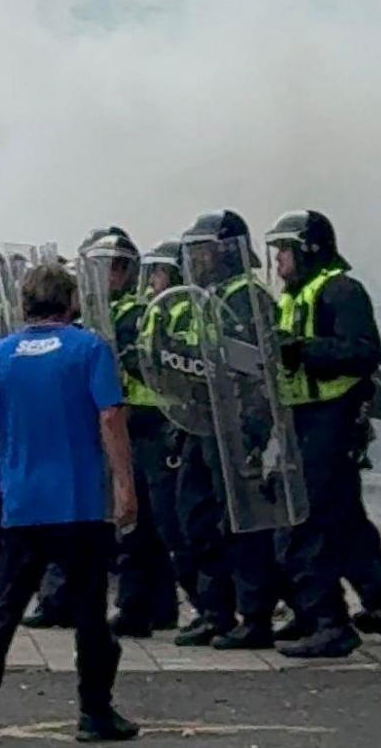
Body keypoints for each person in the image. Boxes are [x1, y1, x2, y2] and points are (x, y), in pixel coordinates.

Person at [0, 262, 140, 745]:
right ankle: (94, 712)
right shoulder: (89, 349)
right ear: (72, 302)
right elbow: (111, 418)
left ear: (24, 304)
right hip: (78, 503)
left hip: (22, 503)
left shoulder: (0, 355)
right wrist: (125, 486)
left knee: (3, 611)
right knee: (90, 615)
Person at [263, 210, 381, 659]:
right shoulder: (295, 295)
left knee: (308, 521)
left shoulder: (340, 290)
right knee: (343, 517)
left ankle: (328, 621)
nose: (279, 259)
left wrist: (302, 351)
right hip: (306, 416)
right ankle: (374, 604)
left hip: (333, 416)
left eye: (284, 249)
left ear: (308, 249)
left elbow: (365, 351)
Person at [172, 211, 287, 650]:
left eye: (202, 250)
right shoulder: (207, 296)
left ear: (224, 250)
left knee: (241, 525)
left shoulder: (248, 298)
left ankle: (254, 615)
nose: (195, 259)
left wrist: (254, 434)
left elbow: (258, 370)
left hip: (236, 429)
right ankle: (213, 610)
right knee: (197, 520)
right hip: (204, 426)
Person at [84, 228, 181, 638]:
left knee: (143, 522)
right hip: (126, 422)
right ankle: (153, 606)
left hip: (148, 423)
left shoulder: (135, 313)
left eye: (108, 269)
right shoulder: (102, 315)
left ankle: (139, 606)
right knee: (139, 521)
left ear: (125, 271)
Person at [129, 240, 200, 628]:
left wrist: (144, 361)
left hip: (167, 426)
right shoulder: (153, 311)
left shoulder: (188, 309)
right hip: (141, 427)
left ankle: (206, 605)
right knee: (143, 525)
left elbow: (182, 367)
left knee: (175, 524)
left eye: (159, 272)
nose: (153, 280)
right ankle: (149, 607)